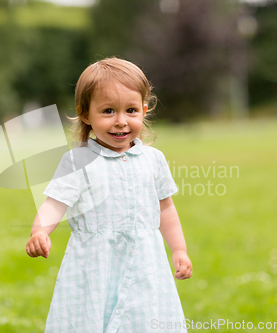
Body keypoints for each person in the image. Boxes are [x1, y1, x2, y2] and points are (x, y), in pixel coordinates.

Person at [26, 57, 192, 333]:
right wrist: (39, 232)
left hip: (145, 265)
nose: (121, 122)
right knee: (91, 321)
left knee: (143, 320)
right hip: (94, 267)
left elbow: (166, 209)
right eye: (108, 111)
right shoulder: (77, 161)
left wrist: (179, 249)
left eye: (130, 110)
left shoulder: (153, 160)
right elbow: (55, 204)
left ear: (144, 110)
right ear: (85, 114)